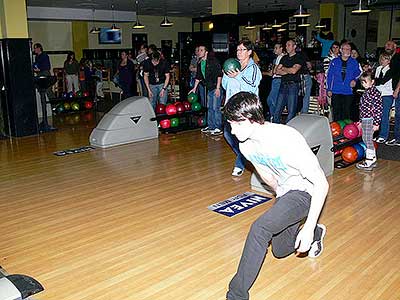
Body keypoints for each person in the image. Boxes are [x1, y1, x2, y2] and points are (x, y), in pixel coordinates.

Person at [223, 91, 329, 300]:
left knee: (260, 228)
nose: (232, 131)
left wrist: (306, 227)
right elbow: (267, 175)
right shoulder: (246, 146)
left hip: (306, 191)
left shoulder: (287, 138)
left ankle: (236, 295)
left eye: (235, 124)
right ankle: (317, 232)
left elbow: (321, 184)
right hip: (287, 194)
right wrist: (280, 196)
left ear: (250, 119)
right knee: (280, 251)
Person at [222, 40, 262, 176]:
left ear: (249, 52)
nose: (239, 52)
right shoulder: (233, 65)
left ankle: (240, 163)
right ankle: (244, 156)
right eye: (238, 50)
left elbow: (251, 87)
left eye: (243, 50)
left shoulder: (253, 69)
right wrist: (226, 75)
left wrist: (238, 76)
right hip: (231, 107)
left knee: (243, 138)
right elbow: (225, 85)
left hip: (246, 108)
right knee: (228, 134)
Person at [188, 45, 223, 135]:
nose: (199, 52)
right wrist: (194, 88)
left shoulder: (213, 61)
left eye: (201, 50)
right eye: (198, 50)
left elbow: (219, 75)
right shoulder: (200, 63)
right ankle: (211, 126)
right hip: (209, 88)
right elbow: (198, 77)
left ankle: (218, 127)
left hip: (216, 87)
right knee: (209, 108)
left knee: (216, 108)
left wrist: (218, 88)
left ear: (206, 52)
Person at [326, 42, 361, 121]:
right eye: (345, 49)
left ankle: (346, 132)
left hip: (348, 91)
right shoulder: (334, 61)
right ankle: (337, 131)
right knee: (336, 112)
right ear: (341, 50)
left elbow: (358, 73)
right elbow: (330, 76)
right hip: (336, 90)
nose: (347, 51)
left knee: (347, 113)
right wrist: (329, 89)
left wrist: (354, 80)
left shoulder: (354, 62)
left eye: (349, 49)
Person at [273, 39, 305, 124]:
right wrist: (288, 69)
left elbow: (294, 71)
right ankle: (276, 128)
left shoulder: (299, 57)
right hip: (283, 84)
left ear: (294, 47)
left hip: (293, 85)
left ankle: (288, 129)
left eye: (289, 45)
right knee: (277, 110)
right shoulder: (284, 58)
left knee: (291, 111)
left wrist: (283, 69)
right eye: (286, 45)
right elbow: (276, 71)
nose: (287, 47)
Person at [356, 72, 383, 171]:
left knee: (367, 140)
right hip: (365, 119)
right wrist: (360, 120)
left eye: (366, 82)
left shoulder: (374, 93)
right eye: (362, 83)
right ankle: (373, 159)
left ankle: (369, 160)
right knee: (367, 139)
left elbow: (378, 109)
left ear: (372, 82)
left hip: (370, 120)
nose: (364, 84)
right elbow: (363, 108)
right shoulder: (367, 92)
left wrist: (376, 123)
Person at [383, 40, 400, 146]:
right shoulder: (391, 59)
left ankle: (398, 138)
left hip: (398, 89)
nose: (387, 46)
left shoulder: (398, 58)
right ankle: (397, 138)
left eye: (389, 45)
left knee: (399, 114)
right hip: (393, 89)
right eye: (386, 45)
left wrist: (397, 89)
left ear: (395, 46)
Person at [374, 53, 393, 144]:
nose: (382, 60)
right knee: (377, 115)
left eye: (385, 59)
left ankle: (383, 135)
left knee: (384, 116)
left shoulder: (390, 70)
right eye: (381, 58)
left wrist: (376, 81)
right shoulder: (378, 69)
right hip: (378, 94)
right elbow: (376, 81)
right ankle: (377, 134)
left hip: (387, 94)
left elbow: (382, 81)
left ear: (389, 61)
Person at [265, 42, 285, 121]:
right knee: (274, 100)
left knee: (271, 100)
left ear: (281, 48)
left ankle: (274, 117)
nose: (274, 50)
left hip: (277, 80)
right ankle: (274, 117)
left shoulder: (280, 57)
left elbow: (274, 72)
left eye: (276, 48)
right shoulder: (279, 57)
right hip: (277, 80)